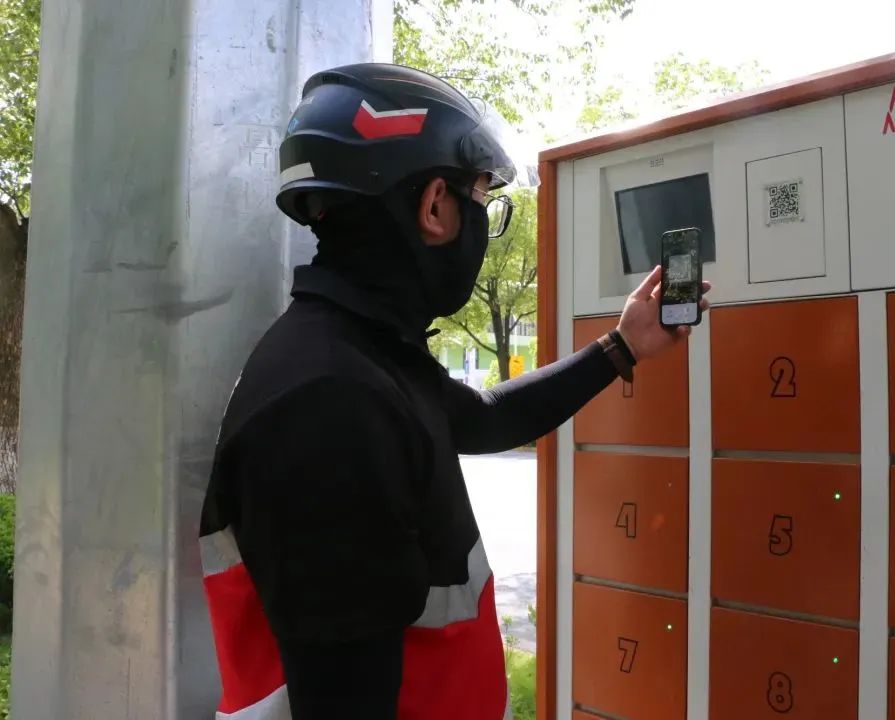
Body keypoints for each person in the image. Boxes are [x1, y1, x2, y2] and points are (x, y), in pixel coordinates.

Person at [198, 63, 710, 720]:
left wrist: (623, 346)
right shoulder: (329, 404)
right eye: (480, 201)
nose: (480, 227)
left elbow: (483, 418)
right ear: (436, 205)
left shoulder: (361, 355)